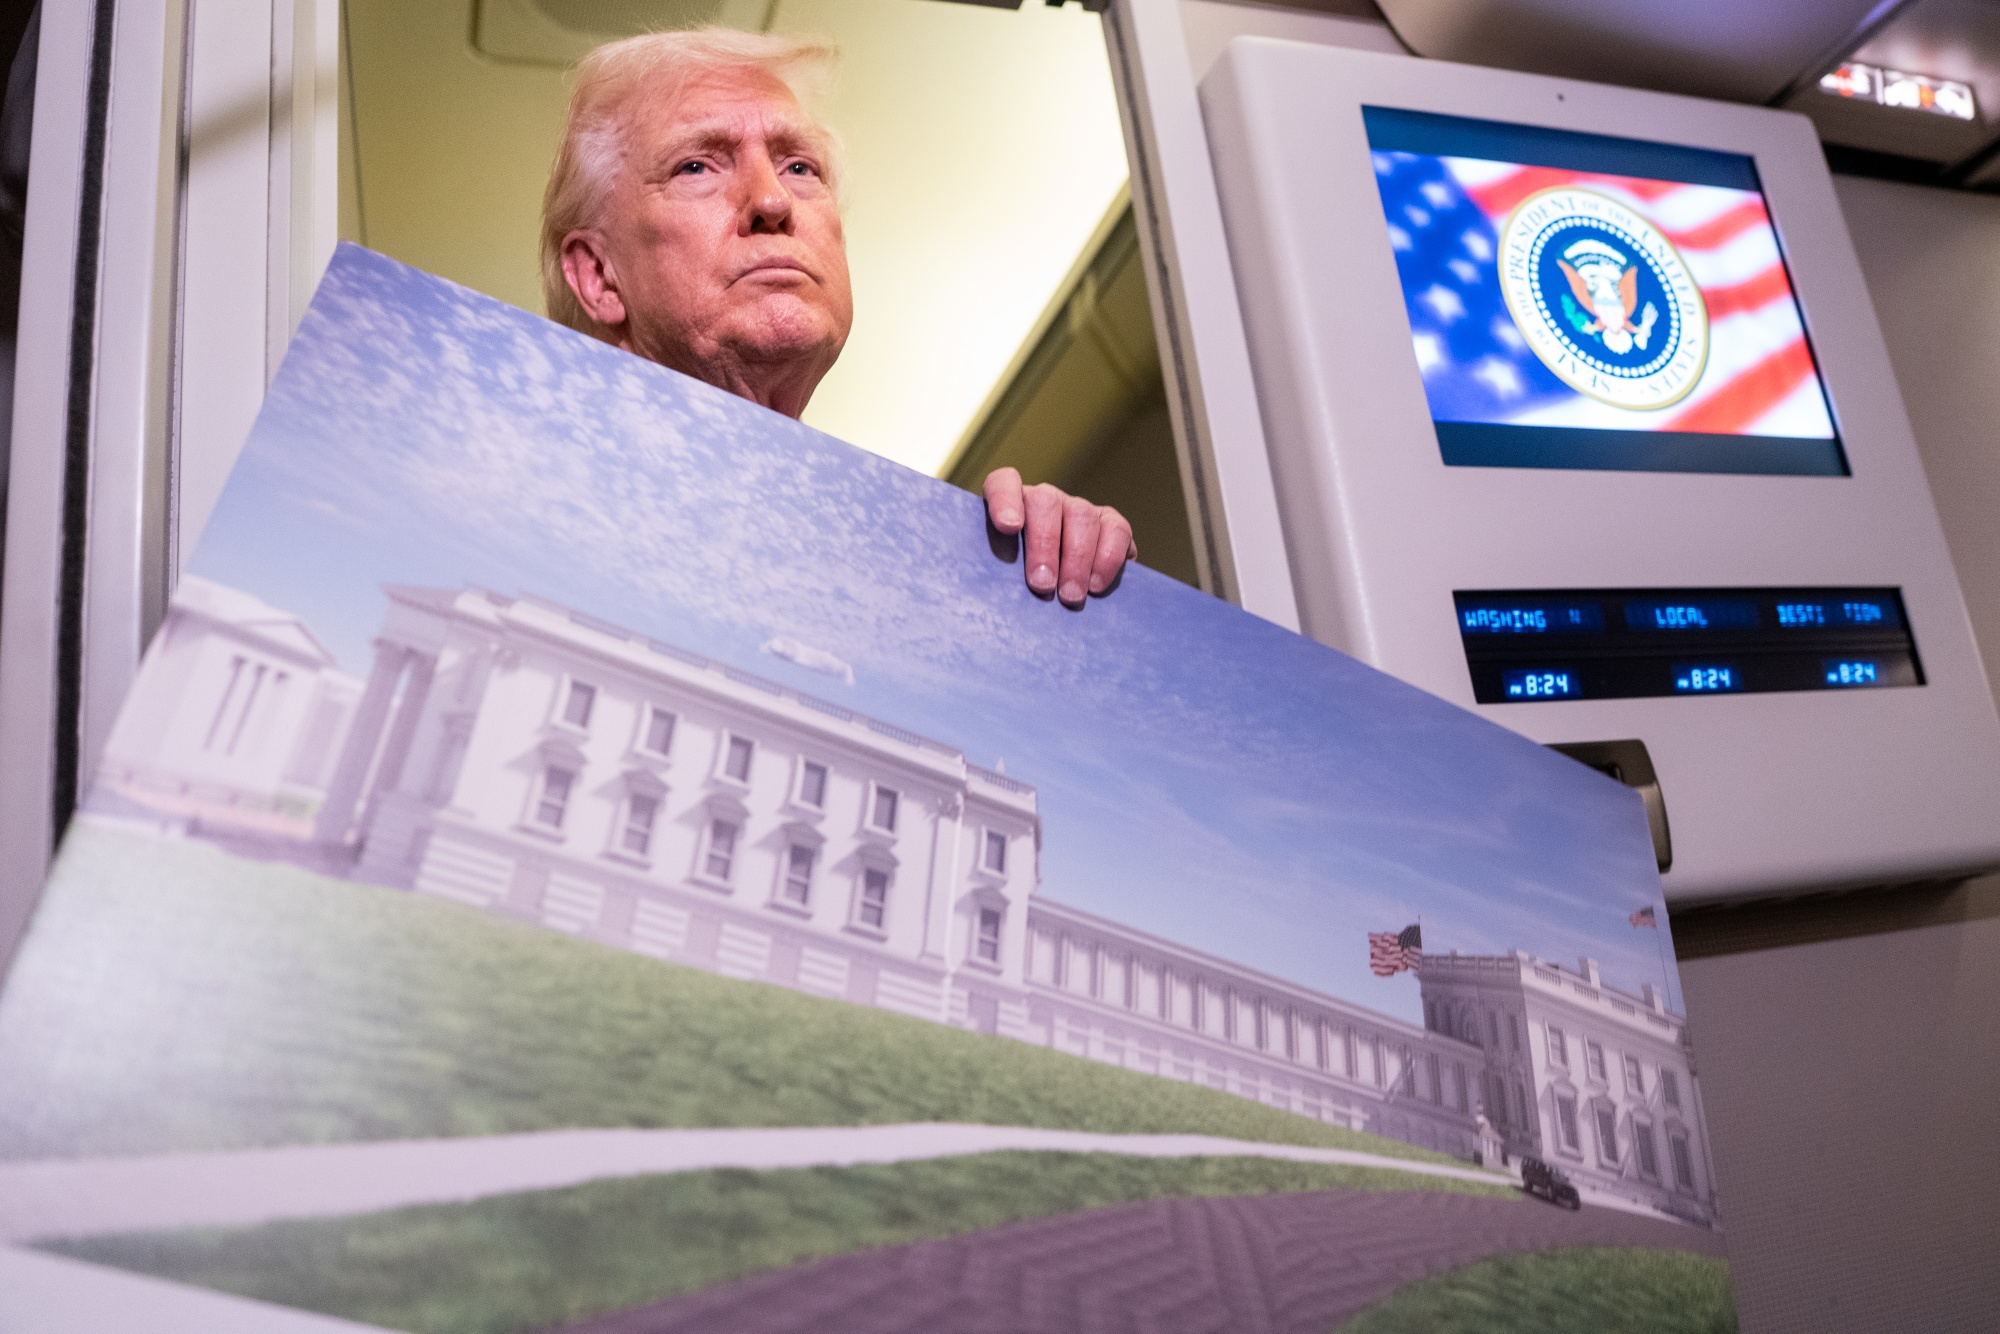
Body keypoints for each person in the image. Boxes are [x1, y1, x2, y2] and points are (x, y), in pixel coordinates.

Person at [541, 28, 1135, 608]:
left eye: (800, 168)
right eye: (696, 167)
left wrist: (1035, 574)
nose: (772, 202)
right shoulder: (526, 504)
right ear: (598, 275)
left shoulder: (882, 580)